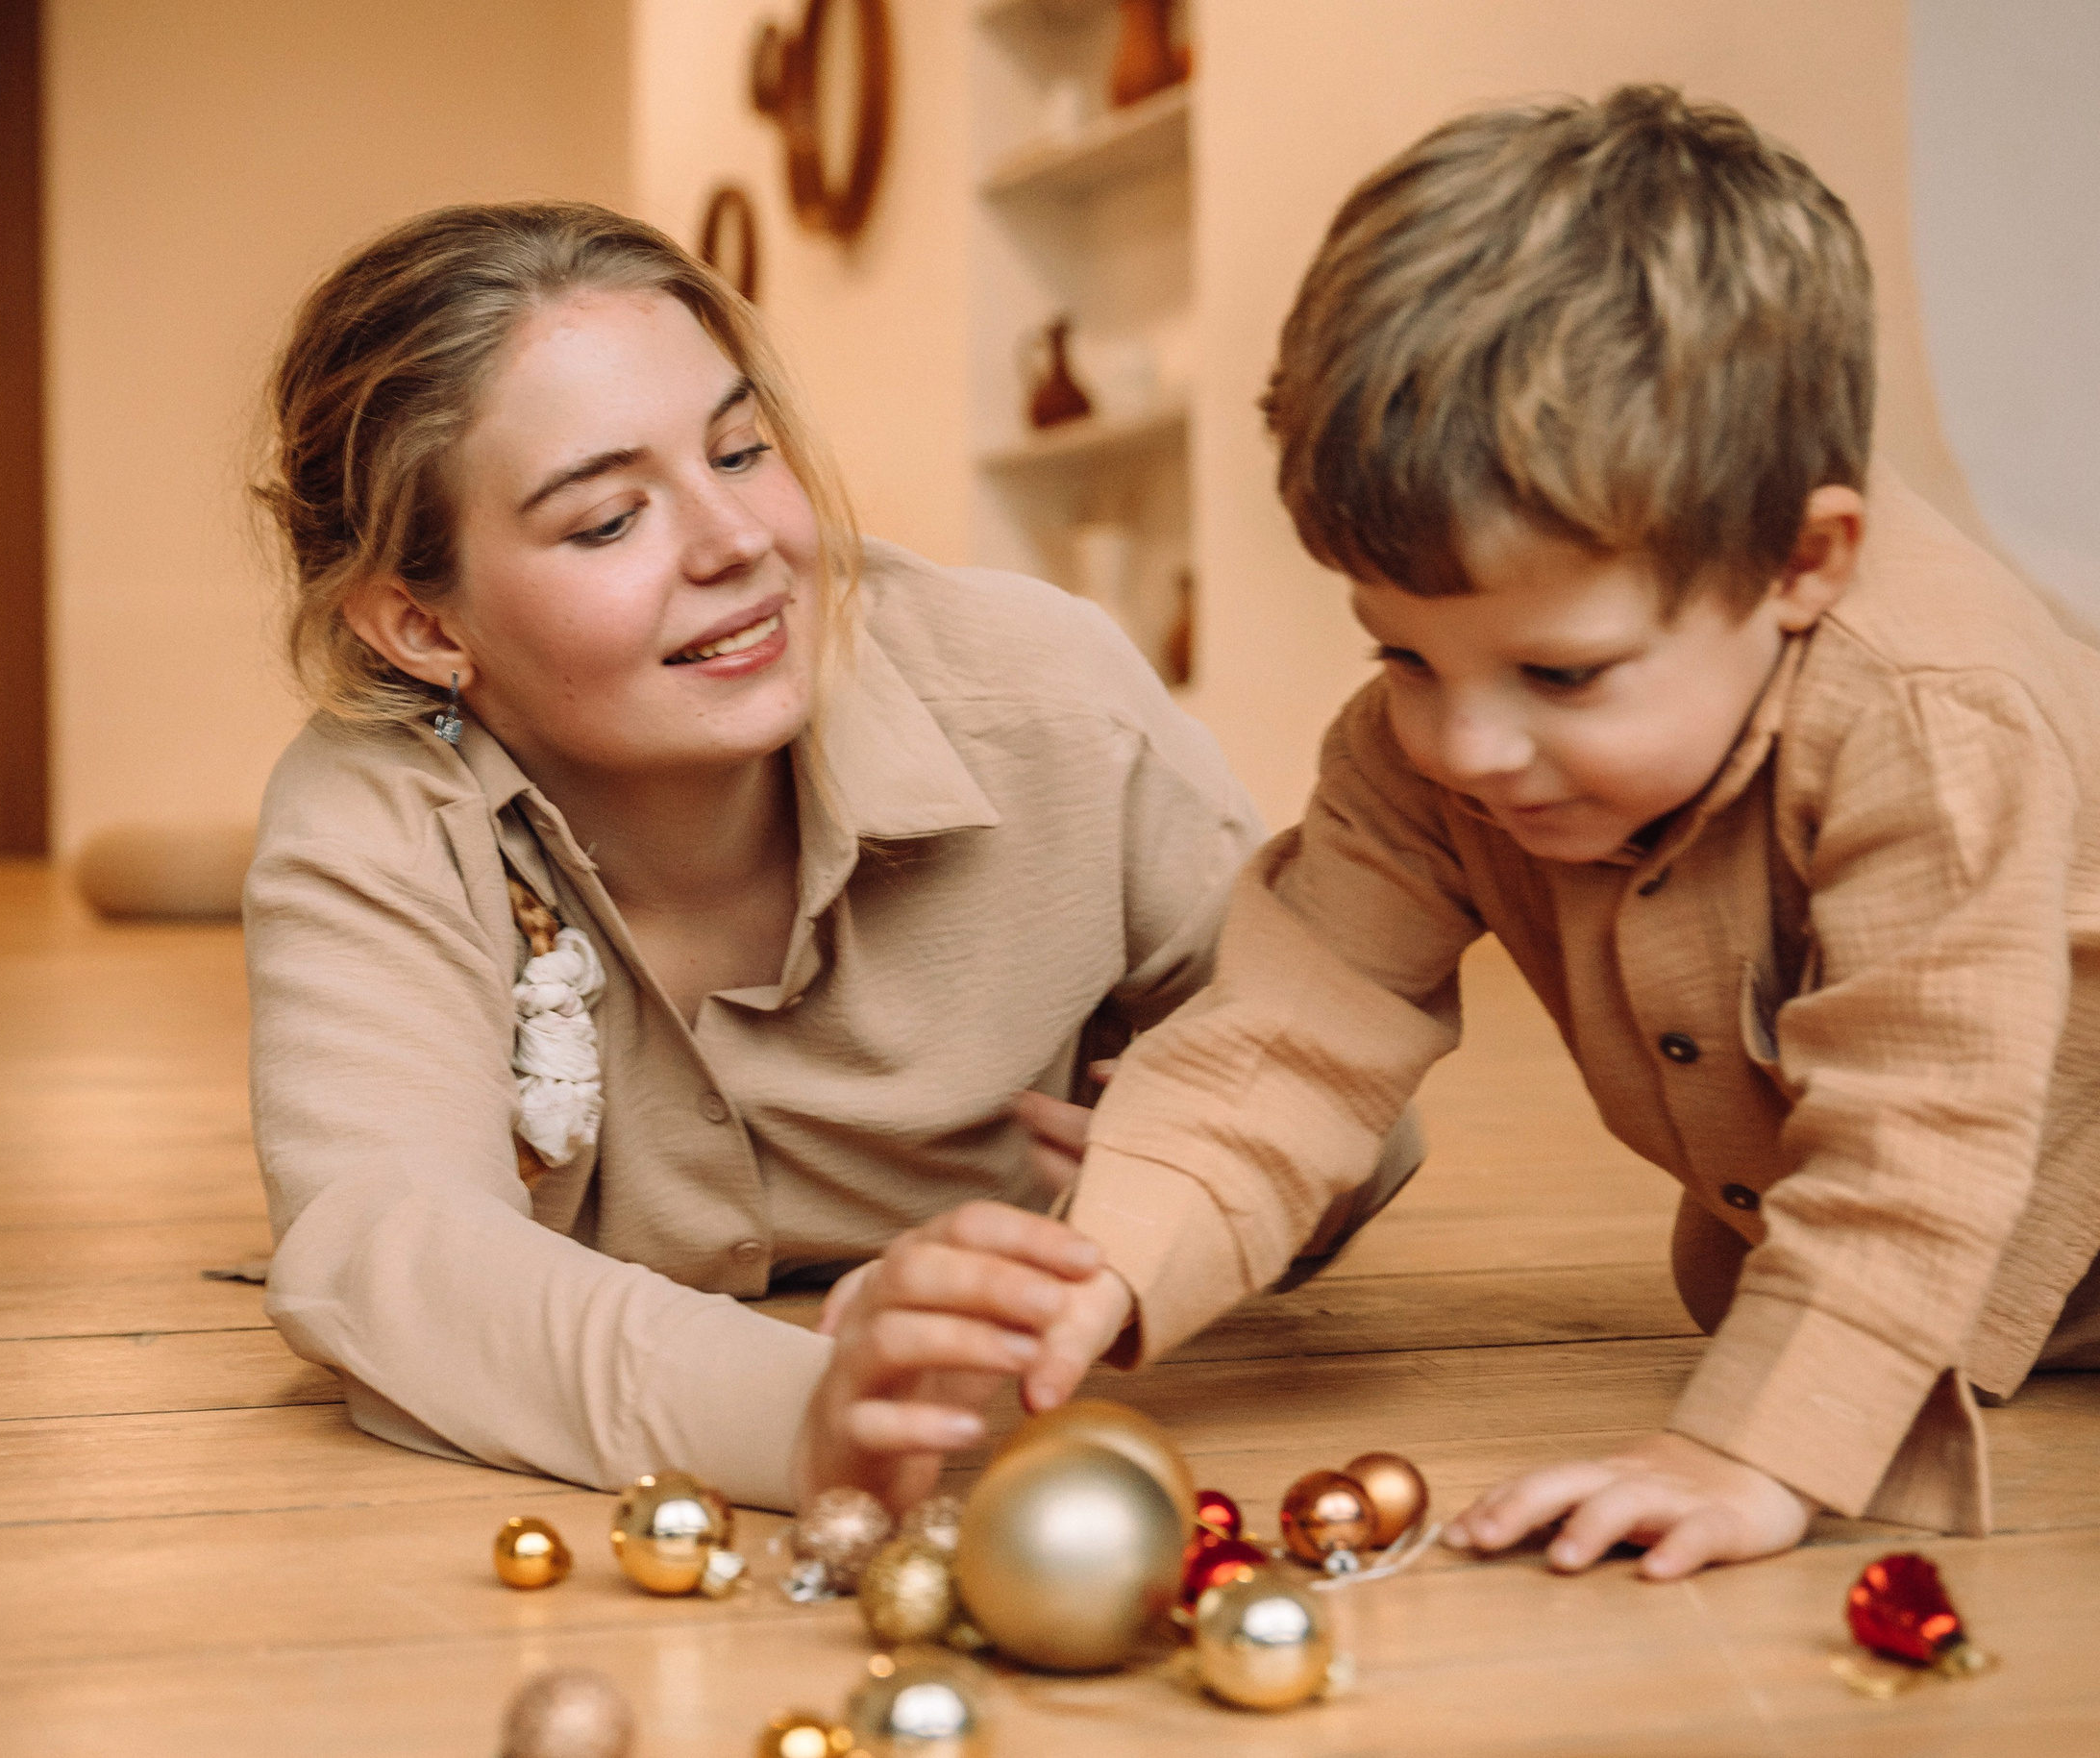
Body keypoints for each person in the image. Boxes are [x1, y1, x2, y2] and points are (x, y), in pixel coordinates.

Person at [817, 85, 2100, 1576]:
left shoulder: (1936, 719)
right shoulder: (1426, 750)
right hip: (1898, 1263)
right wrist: (1095, 1271)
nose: (1467, 745)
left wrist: (1750, 1452)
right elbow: (1287, 1039)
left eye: (1562, 673)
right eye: (1402, 653)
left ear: (1801, 561)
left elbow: (1917, 1133)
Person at [242, 200, 1421, 1512]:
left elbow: (1347, 1100)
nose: (738, 542)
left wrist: (1177, 1185)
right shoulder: (374, 813)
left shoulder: (1047, 696)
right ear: (419, 623)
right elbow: (389, 1253)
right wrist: (804, 1407)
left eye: (741, 451)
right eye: (605, 522)